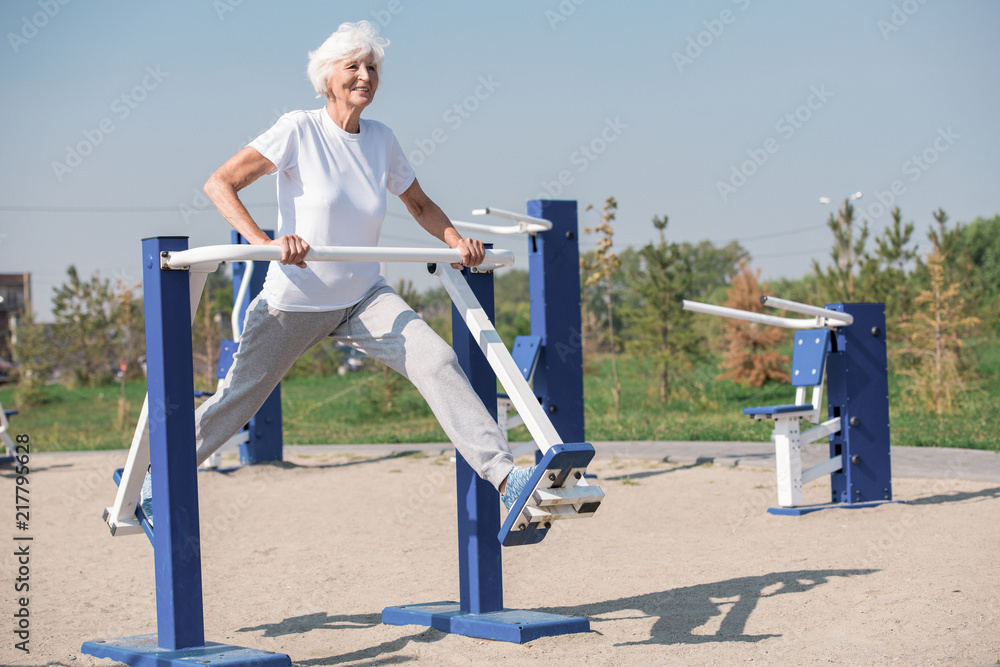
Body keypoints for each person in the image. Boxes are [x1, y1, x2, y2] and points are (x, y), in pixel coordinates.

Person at [140, 21, 535, 522]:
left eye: (371, 68)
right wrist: (265, 244)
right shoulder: (298, 129)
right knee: (238, 400)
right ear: (328, 76)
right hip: (295, 301)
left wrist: (458, 242)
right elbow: (220, 183)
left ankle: (505, 476)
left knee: (436, 361)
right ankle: (160, 475)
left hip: (365, 298)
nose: (364, 76)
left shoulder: (382, 140)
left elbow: (417, 203)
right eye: (353, 67)